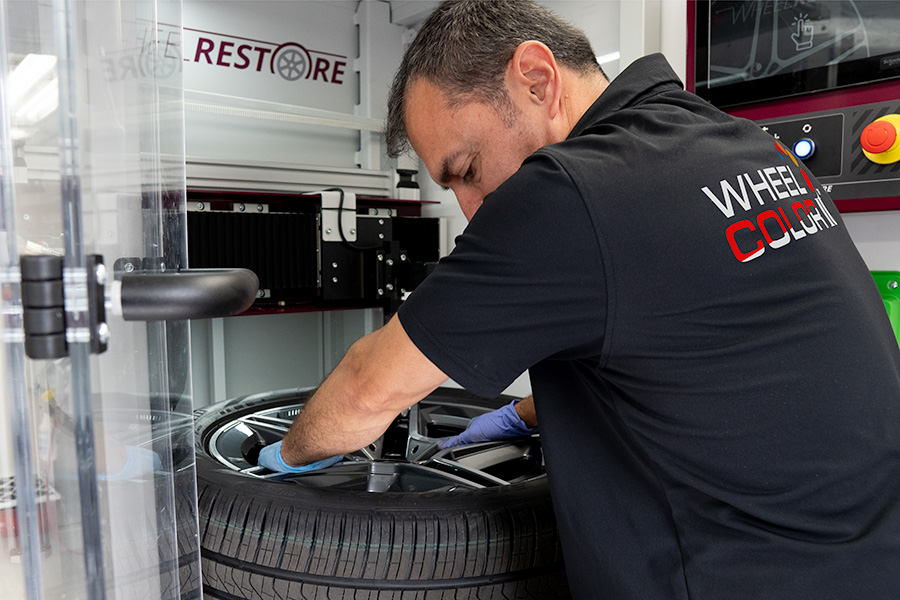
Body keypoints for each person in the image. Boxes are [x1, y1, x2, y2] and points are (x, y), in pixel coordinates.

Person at [258, 0, 900, 597]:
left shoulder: (573, 190)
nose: (471, 210)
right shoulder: (742, 147)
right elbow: (705, 372)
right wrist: (522, 415)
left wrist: (276, 461)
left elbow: (369, 388)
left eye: (468, 169)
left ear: (536, 79)